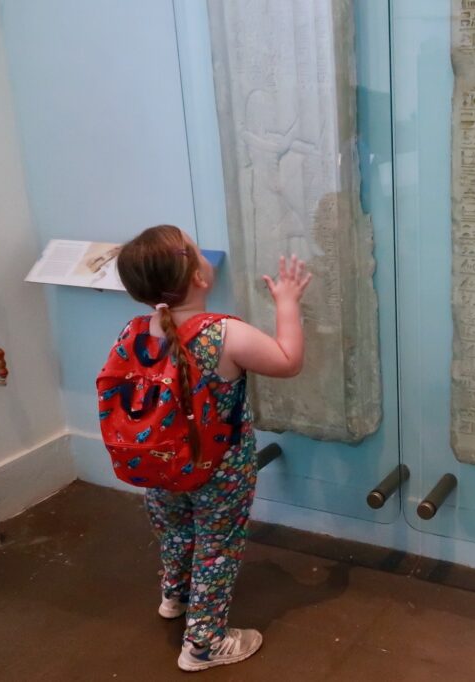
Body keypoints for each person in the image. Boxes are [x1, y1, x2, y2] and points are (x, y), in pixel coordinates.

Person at [111, 224, 311, 671]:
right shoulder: (224, 334)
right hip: (219, 470)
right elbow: (288, 361)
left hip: (158, 462)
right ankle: (202, 645)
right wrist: (287, 303)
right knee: (216, 548)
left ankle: (174, 594)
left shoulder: (136, 330)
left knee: (176, 532)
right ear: (200, 278)